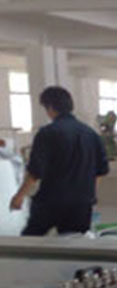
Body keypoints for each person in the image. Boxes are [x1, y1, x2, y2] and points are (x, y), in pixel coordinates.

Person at [10, 86, 109, 235]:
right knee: (73, 243)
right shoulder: (91, 134)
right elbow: (100, 171)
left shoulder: (47, 133)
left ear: (50, 107)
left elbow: (35, 171)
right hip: (81, 204)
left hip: (51, 201)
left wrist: (19, 196)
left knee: (31, 240)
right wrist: (90, 195)